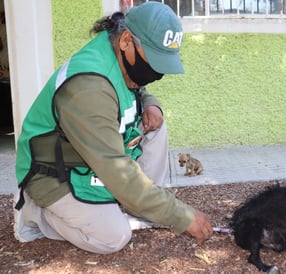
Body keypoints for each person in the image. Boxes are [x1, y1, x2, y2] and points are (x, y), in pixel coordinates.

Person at [13, 2, 213, 254]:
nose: (157, 72)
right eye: (154, 62)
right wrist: (182, 216)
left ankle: (139, 202)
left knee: (155, 126)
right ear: (126, 40)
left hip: (86, 159)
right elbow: (117, 170)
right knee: (113, 237)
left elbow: (133, 87)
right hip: (52, 172)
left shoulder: (118, 55)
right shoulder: (88, 86)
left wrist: (151, 104)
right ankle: (36, 212)